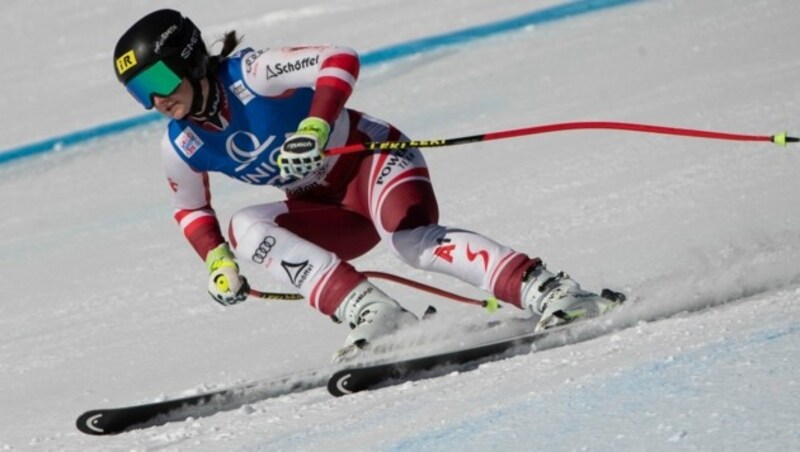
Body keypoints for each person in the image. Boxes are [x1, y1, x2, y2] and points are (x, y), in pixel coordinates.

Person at [112, 9, 622, 359]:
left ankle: (553, 291)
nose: (155, 101)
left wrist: (315, 124)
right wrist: (217, 261)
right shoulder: (180, 144)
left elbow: (340, 58)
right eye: (140, 94)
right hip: (327, 208)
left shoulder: (252, 73)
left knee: (412, 242)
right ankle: (375, 314)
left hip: (371, 161)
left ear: (190, 60)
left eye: (158, 82)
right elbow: (192, 210)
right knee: (245, 225)